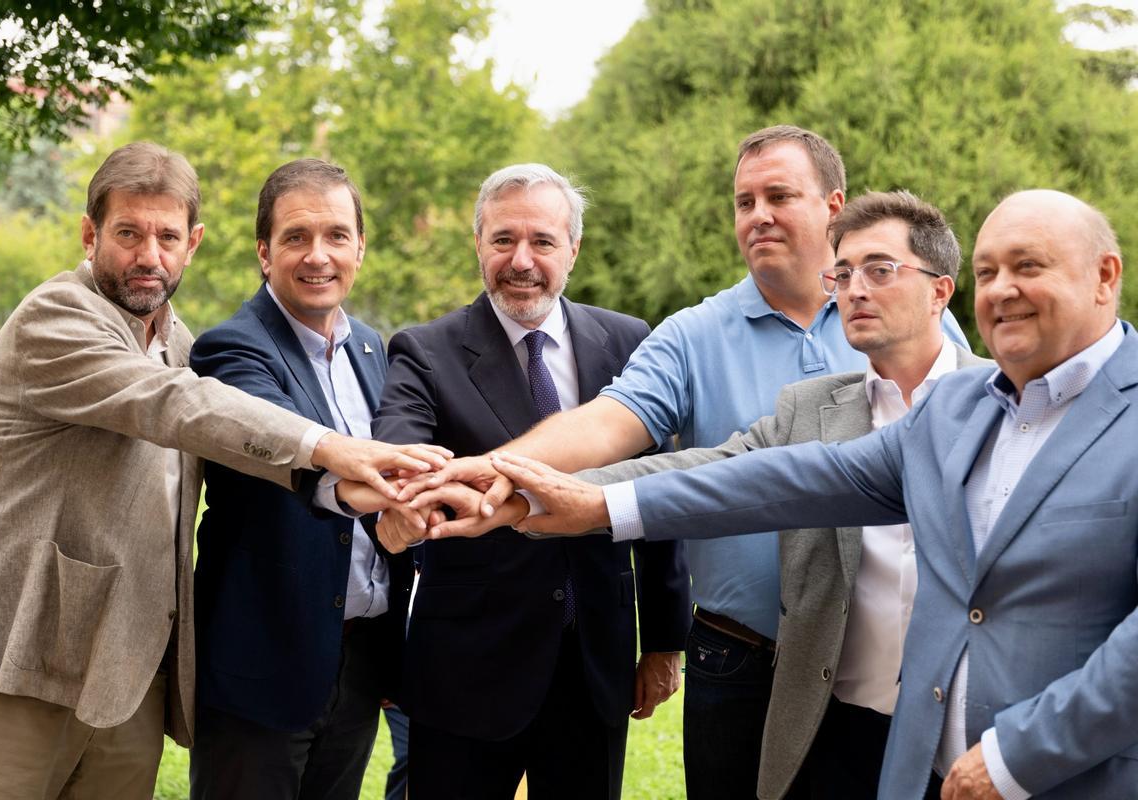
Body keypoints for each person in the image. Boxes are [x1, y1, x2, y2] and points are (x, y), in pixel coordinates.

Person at [492, 189, 1138, 800]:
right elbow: (778, 478)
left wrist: (1014, 756)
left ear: (1105, 276)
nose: (1001, 290)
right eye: (989, 271)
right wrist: (591, 504)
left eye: (1027, 266)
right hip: (914, 762)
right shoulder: (959, 413)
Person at [399, 126, 966, 798]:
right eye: (743, 201)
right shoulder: (695, 335)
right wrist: (492, 476)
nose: (758, 215)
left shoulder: (920, 340)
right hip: (740, 655)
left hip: (889, 663)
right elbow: (622, 432)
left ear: (832, 206)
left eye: (778, 195)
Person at [0, 142, 446, 799]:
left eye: (167, 236)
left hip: (127, 671)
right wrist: (330, 446)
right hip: (19, 654)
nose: (149, 255)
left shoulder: (178, 342)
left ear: (193, 243)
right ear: (89, 234)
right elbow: (176, 405)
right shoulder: (55, 317)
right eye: (128, 233)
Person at [365, 163, 691, 799]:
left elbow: (658, 491)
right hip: (466, 669)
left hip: (595, 662)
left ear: (573, 248)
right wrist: (408, 489)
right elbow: (400, 448)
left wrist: (662, 640)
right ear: (478, 245)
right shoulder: (426, 350)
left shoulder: (628, 342)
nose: (521, 260)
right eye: (502, 239)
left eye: (542, 241)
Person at [187, 159, 415, 799]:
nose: (319, 255)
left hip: (361, 659)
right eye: (296, 237)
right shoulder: (231, 349)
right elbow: (293, 455)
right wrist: (404, 483)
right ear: (264, 254)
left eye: (337, 235)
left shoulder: (372, 348)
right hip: (264, 660)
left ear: (360, 247)